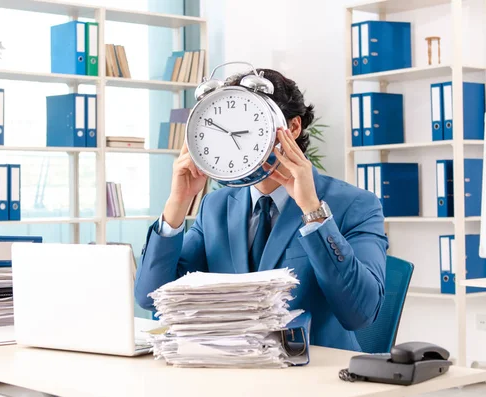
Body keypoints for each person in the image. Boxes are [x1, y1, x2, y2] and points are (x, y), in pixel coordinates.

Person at [134, 68, 388, 352]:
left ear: (292, 128)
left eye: (252, 125)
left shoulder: (355, 205)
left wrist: (313, 212)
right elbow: (151, 298)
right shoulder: (215, 207)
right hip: (233, 370)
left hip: (315, 375)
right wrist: (177, 204)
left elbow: (361, 313)